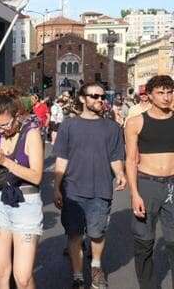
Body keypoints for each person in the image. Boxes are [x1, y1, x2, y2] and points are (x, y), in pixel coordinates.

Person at [53, 83, 126, 289]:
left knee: (97, 234)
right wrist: (57, 187)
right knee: (75, 235)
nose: (100, 100)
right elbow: (62, 158)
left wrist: (120, 173)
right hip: (73, 191)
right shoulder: (68, 125)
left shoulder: (112, 128)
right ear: (83, 99)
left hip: (101, 190)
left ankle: (95, 268)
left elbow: (115, 157)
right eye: (94, 96)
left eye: (102, 97)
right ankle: (77, 275)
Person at [0, 94, 44, 289]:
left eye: (6, 125)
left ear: (17, 115)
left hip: (26, 203)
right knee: (0, 273)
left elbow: (36, 177)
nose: (2, 130)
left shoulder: (31, 134)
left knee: (22, 278)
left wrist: (4, 161)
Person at [124, 75, 174, 289]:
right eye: (161, 93)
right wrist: (134, 194)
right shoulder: (136, 122)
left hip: (172, 185)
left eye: (169, 92)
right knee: (144, 243)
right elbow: (131, 160)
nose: (166, 97)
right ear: (150, 96)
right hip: (146, 185)